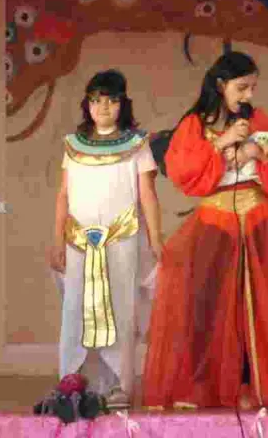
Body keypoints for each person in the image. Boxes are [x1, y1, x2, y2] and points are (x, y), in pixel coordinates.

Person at [142, 51, 268, 409]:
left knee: (260, 305)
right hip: (216, 222)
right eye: (242, 87)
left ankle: (255, 385)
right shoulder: (195, 124)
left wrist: (259, 150)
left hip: (258, 219)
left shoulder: (258, 119)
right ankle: (204, 385)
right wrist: (223, 143)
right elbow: (183, 171)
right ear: (221, 85)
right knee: (206, 305)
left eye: (252, 88)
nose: (248, 95)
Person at [49, 70, 162, 409]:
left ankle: (118, 385)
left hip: (121, 240)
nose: (104, 107)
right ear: (87, 104)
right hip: (79, 242)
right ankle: (73, 381)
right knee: (77, 309)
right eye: (97, 100)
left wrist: (156, 238)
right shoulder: (73, 145)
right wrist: (57, 240)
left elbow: (147, 194)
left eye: (112, 101)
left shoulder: (137, 144)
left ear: (122, 104)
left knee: (119, 307)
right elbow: (63, 194)